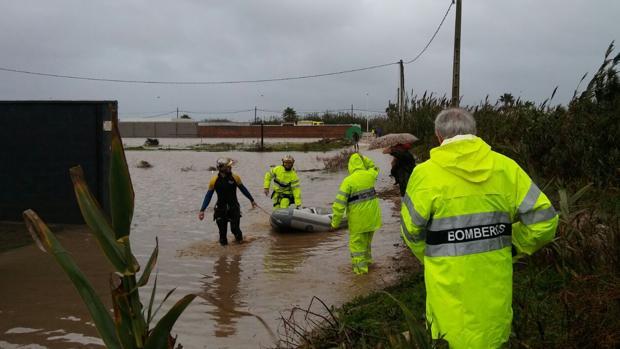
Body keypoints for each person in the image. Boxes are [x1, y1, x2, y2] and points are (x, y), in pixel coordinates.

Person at [400, 108, 558, 348]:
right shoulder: (506, 168)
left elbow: (411, 232)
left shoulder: (424, 174)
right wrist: (513, 246)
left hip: (447, 298)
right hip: (494, 303)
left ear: (438, 137)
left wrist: (433, 257)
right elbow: (544, 220)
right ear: (474, 132)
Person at [330, 153, 382, 275]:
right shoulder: (370, 175)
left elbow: (338, 204)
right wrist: (364, 158)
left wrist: (335, 223)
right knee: (367, 245)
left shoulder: (348, 181)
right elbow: (375, 167)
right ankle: (369, 264)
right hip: (373, 220)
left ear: (350, 165)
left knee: (357, 248)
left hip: (358, 222)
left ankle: (361, 275)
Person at [199, 158, 257, 246]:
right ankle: (223, 257)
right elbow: (208, 196)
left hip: (234, 207)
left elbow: (243, 189)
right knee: (222, 235)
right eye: (228, 166)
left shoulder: (235, 177)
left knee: (235, 230)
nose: (230, 168)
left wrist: (252, 200)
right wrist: (202, 210)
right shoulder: (214, 180)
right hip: (220, 209)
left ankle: (239, 254)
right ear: (222, 168)